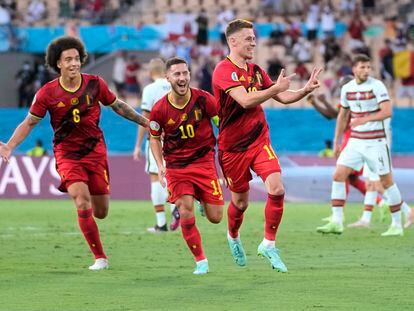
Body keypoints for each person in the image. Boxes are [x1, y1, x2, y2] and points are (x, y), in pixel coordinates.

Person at [0, 36, 149, 270]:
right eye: (68, 59)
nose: (74, 63)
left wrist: (144, 121)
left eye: (77, 59)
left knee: (101, 212)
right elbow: (29, 123)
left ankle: (95, 232)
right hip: (67, 154)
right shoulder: (47, 93)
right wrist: (9, 146)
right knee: (81, 200)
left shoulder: (95, 84)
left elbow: (118, 105)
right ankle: (100, 258)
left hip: (96, 152)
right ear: (58, 63)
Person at [212, 19, 322, 272]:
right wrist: (274, 90)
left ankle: (268, 245)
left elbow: (282, 96)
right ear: (233, 41)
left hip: (259, 140)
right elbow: (246, 101)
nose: (253, 41)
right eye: (248, 38)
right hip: (232, 148)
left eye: (254, 37)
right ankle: (233, 236)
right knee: (240, 203)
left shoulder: (256, 70)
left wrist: (305, 90)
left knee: (277, 188)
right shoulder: (223, 70)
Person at [316, 54, 406, 237]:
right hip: (355, 141)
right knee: (338, 175)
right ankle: (337, 221)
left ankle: (397, 225)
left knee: (386, 182)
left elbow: (387, 112)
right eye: (362, 67)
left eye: (368, 67)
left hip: (376, 142)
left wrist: (364, 119)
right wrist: (337, 141)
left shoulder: (377, 86)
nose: (366, 71)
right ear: (354, 68)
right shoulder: (347, 88)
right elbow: (342, 116)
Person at [149, 57, 224, 274]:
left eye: (185, 73)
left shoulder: (204, 100)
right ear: (168, 78)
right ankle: (201, 261)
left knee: (216, 217)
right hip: (177, 167)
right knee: (185, 209)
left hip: (204, 163)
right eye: (177, 74)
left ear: (189, 75)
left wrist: (228, 152)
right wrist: (161, 165)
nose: (182, 78)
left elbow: (222, 124)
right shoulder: (160, 109)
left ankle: (202, 199)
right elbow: (154, 138)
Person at [133, 58, 180, 233]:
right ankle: (175, 207)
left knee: (156, 176)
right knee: (172, 176)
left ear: (150, 72)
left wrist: (137, 145)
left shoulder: (149, 89)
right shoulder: (175, 85)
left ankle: (161, 224)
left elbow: (144, 118)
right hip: (176, 138)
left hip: (157, 139)